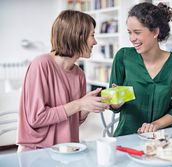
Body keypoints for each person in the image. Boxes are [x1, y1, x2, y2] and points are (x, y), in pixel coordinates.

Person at [17, 10, 110, 152]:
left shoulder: (79, 74)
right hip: (38, 151)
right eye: (92, 35)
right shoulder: (41, 64)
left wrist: (88, 106)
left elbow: (73, 121)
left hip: (68, 150)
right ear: (77, 36)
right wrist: (79, 104)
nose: (95, 42)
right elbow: (36, 118)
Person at [109, 2, 172, 136]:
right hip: (126, 139)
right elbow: (114, 106)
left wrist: (155, 125)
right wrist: (115, 102)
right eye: (129, 32)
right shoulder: (123, 57)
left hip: (161, 141)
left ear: (155, 31)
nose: (132, 38)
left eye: (137, 32)